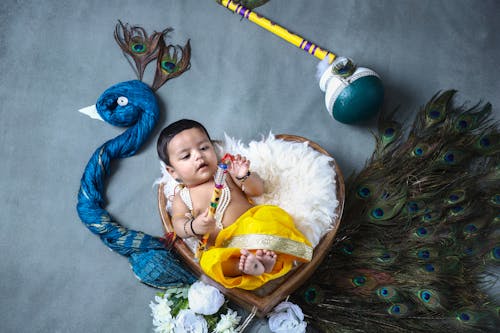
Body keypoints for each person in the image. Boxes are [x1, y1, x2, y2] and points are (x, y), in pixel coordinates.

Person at [157, 119, 312, 290]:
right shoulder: (182, 197)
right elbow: (178, 225)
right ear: (173, 173)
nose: (198, 156)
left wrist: (243, 176)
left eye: (204, 148)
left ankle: (266, 260)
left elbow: (257, 190)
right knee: (209, 262)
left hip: (250, 226)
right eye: (186, 156)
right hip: (225, 246)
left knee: (270, 217)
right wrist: (194, 226)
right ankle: (244, 266)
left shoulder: (226, 171)